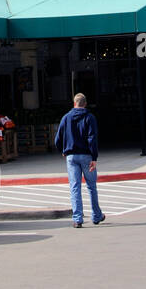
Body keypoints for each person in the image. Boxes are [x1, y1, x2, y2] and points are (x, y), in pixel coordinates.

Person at [54, 93, 105, 227]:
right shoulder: (90, 118)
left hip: (71, 156)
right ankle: (96, 215)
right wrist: (94, 157)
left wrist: (63, 150)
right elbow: (92, 138)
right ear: (85, 104)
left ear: (74, 103)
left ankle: (77, 218)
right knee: (91, 186)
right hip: (87, 155)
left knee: (75, 187)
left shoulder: (66, 118)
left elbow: (57, 138)